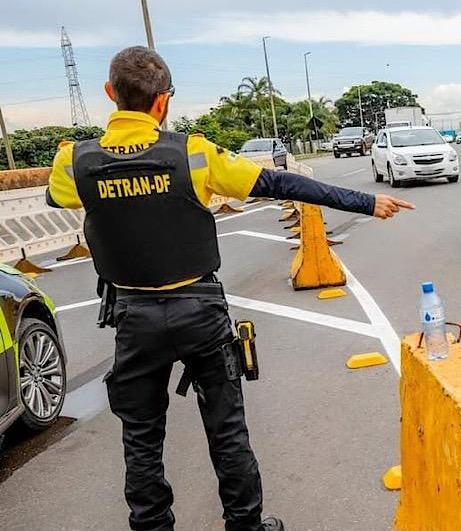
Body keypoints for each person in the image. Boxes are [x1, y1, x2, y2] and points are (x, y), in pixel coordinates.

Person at [45, 46, 414, 531]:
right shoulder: (194, 154)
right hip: (200, 312)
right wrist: (365, 202)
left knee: (140, 437)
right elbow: (280, 183)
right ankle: (246, 524)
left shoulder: (75, 160)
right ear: (164, 102)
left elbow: (56, 195)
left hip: (134, 318)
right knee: (227, 431)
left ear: (111, 94)